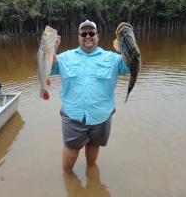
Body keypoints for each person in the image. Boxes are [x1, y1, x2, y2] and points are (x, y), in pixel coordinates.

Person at [51, 19, 130, 174]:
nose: (88, 36)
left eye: (91, 33)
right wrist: (50, 48)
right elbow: (46, 68)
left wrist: (127, 43)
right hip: (73, 115)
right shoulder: (64, 57)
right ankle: (67, 175)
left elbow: (128, 66)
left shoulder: (112, 58)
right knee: (71, 148)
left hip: (101, 115)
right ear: (79, 36)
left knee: (94, 144)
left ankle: (91, 170)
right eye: (84, 33)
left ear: (97, 36)